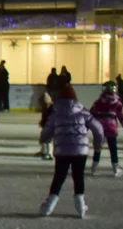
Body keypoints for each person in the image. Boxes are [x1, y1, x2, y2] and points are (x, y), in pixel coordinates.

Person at [39, 85, 104, 218]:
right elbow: (98, 129)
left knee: (59, 177)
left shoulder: (55, 112)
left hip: (62, 150)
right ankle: (80, 207)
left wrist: (44, 139)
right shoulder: (82, 111)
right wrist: (98, 145)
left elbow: (47, 131)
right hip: (80, 150)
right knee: (78, 177)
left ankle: (48, 207)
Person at [89, 81, 123, 176]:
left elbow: (91, 114)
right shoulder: (117, 103)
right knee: (113, 148)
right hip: (111, 127)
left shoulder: (99, 102)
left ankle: (94, 166)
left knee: (98, 147)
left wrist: (88, 126)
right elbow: (122, 116)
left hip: (99, 128)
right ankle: (115, 168)